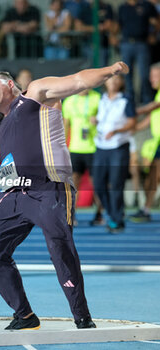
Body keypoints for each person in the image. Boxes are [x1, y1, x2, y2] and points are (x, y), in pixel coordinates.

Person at [0, 61, 129, 330]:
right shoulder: (2, 125)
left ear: (10, 84)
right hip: (12, 194)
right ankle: (25, 315)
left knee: (60, 249)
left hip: (48, 188)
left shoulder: (36, 93)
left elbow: (78, 81)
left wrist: (109, 70)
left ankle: (82, 316)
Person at [92, 75, 136, 233]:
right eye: (111, 79)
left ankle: (117, 220)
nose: (114, 82)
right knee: (98, 184)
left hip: (118, 146)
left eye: (118, 79)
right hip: (100, 146)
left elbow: (132, 122)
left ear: (122, 82)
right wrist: (95, 121)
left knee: (116, 185)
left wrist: (117, 130)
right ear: (106, 82)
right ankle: (114, 214)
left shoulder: (126, 99)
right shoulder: (101, 98)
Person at [62, 89, 104, 225]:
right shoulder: (69, 101)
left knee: (97, 183)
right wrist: (62, 148)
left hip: (94, 148)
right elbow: (66, 125)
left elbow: (106, 120)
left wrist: (98, 121)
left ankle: (99, 214)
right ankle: (71, 215)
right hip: (75, 149)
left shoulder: (97, 98)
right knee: (73, 184)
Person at [130, 62, 160, 222]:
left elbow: (152, 108)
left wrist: (130, 110)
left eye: (155, 76)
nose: (151, 79)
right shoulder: (158, 93)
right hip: (158, 142)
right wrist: (134, 128)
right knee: (153, 176)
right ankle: (146, 209)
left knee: (154, 175)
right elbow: (152, 117)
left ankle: (146, 209)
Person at [117, 0, 159, 103]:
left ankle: (147, 102)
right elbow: (117, 26)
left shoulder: (146, 5)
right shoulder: (123, 7)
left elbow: (156, 22)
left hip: (142, 43)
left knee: (145, 75)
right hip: (126, 43)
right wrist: (113, 36)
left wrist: (154, 34)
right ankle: (129, 103)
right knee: (127, 75)